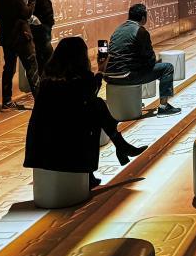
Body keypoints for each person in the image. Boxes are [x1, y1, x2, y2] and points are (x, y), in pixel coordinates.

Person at [24, 37, 147, 188]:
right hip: (61, 150)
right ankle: (117, 147)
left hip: (39, 149)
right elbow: (90, 93)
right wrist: (101, 70)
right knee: (96, 107)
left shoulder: (47, 79)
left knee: (94, 106)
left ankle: (120, 146)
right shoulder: (80, 79)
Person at [106, 4, 181, 116]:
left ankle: (131, 102)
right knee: (167, 68)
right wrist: (154, 63)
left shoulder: (118, 30)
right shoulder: (140, 31)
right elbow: (150, 59)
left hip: (109, 77)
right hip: (127, 76)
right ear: (143, 18)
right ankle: (164, 107)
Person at [29, 0, 54, 73]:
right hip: (40, 34)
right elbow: (28, 12)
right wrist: (39, 24)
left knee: (44, 60)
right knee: (46, 60)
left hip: (42, 33)